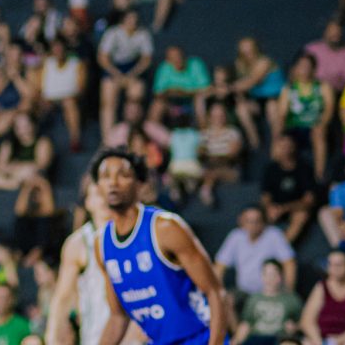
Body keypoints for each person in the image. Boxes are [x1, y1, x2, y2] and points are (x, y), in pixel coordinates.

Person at [93, 147, 226, 345]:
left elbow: (216, 292)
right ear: (97, 187)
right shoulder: (102, 244)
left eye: (123, 175)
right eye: (105, 176)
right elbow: (117, 317)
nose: (113, 182)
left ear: (140, 184)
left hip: (200, 338)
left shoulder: (165, 227)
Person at [47, 180, 112, 345]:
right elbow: (63, 297)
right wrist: (52, 337)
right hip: (96, 334)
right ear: (87, 202)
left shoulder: (133, 234)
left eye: (107, 193)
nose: (104, 199)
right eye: (98, 194)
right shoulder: (79, 243)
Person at [215, 206, 297, 302]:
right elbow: (219, 267)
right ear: (241, 221)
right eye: (248, 221)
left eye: (257, 221)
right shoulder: (235, 236)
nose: (253, 225)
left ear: (264, 222)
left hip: (270, 293)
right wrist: (219, 293)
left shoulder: (274, 235)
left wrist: (288, 293)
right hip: (243, 292)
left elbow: (289, 264)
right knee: (228, 301)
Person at [275, 54, 334, 180]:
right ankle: (277, 173)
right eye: (301, 66)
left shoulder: (323, 87)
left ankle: (319, 174)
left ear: (314, 68)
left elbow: (329, 109)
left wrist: (322, 123)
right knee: (279, 136)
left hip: (316, 127)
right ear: (295, 69)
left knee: (319, 133)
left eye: (308, 66)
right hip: (295, 128)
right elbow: (282, 114)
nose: (304, 70)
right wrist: (279, 132)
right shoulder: (289, 89)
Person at [97, 10, 154, 134]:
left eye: (135, 19)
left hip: (133, 69)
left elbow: (146, 59)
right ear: (123, 20)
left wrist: (132, 74)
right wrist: (116, 73)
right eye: (130, 18)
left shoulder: (143, 34)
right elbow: (102, 58)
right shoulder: (113, 32)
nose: (133, 22)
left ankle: (133, 134)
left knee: (135, 98)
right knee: (108, 101)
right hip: (113, 68)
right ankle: (107, 138)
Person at [260, 135, 318, 244]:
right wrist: (269, 207)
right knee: (256, 214)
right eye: (282, 146)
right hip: (275, 208)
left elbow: (309, 200)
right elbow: (265, 196)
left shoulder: (304, 168)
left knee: (301, 215)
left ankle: (282, 247)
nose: (285, 150)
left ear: (294, 148)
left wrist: (284, 208)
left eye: (288, 146)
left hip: (295, 208)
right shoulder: (270, 169)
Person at [0, 112, 54, 190]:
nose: (23, 130)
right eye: (18, 127)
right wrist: (14, 170)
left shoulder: (42, 141)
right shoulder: (8, 143)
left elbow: (41, 165)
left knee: (28, 171)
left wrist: (15, 167)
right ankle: (10, 185)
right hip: (10, 177)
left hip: (28, 175)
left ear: (33, 125)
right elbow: (0, 166)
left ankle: (2, 185)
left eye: (26, 126)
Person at [234, 260, 302, 345]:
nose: (269, 279)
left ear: (280, 276)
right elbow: (245, 324)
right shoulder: (254, 299)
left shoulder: (291, 299)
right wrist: (236, 341)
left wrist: (294, 327)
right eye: (266, 274)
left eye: (273, 275)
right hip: (257, 337)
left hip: (279, 338)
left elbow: (302, 322)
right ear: (262, 276)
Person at [37, 36, 86, 151]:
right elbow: (40, 86)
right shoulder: (46, 63)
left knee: (69, 103)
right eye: (55, 48)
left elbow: (81, 88)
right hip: (49, 99)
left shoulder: (77, 63)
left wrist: (70, 97)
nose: (58, 51)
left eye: (60, 48)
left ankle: (75, 139)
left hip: (69, 98)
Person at [234, 37, 285, 142]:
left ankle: (277, 143)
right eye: (244, 51)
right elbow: (240, 88)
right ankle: (255, 143)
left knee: (271, 106)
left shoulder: (264, 61)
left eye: (250, 50)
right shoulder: (240, 65)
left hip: (277, 98)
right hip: (258, 101)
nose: (248, 54)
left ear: (256, 49)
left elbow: (252, 81)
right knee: (241, 109)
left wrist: (229, 87)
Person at [150, 46, 210, 126]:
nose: (177, 59)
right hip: (170, 104)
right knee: (158, 104)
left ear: (184, 56)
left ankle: (203, 130)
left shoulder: (196, 64)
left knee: (200, 100)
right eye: (173, 58)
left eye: (178, 56)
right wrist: (172, 92)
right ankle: (153, 131)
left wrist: (182, 92)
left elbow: (206, 89)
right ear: (168, 60)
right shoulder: (164, 68)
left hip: (192, 103)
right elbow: (158, 93)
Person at [304, 21, 345, 93]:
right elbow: (301, 70)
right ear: (325, 32)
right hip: (314, 91)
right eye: (331, 31)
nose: (335, 34)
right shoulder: (312, 49)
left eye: (338, 32)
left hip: (339, 92)